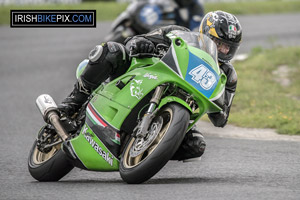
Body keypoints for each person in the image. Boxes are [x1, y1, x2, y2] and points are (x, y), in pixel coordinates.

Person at [59, 10, 242, 162]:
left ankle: (150, 150)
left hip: (182, 103)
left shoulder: (228, 75)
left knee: (196, 145)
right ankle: (74, 102)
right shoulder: (179, 33)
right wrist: (142, 44)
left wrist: (219, 107)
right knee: (111, 50)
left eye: (229, 47)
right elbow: (135, 41)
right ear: (206, 34)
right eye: (219, 43)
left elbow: (221, 119)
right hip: (148, 74)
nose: (224, 51)